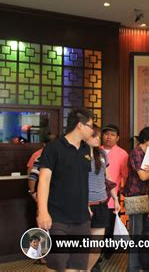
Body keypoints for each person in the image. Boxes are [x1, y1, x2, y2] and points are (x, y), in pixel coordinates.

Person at [37, 108, 95, 271]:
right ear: (79, 125)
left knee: (77, 266)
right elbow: (44, 180)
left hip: (82, 218)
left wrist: (87, 205)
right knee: (57, 263)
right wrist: (42, 211)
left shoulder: (85, 149)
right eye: (91, 126)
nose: (93, 130)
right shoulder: (54, 148)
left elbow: (82, 180)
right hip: (57, 218)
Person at [123, 127, 149, 272]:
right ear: (145, 140)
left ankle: (146, 264)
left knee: (145, 232)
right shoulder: (136, 153)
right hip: (136, 195)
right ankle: (133, 267)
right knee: (136, 234)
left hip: (147, 195)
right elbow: (143, 176)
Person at [86, 125, 121, 271]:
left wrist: (115, 197)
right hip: (84, 205)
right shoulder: (77, 155)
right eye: (94, 136)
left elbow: (107, 177)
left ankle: (87, 269)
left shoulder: (100, 153)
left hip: (101, 203)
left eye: (98, 136)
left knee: (96, 246)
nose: (98, 139)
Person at [100, 124, 128, 260]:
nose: (108, 137)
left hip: (111, 196)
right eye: (106, 134)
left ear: (117, 138)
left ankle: (107, 252)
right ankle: (96, 252)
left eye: (112, 135)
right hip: (94, 195)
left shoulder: (122, 154)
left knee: (109, 225)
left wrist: (121, 192)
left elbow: (125, 175)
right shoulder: (95, 150)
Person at [27, 133, 57, 202]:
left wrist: (32, 191)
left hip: (43, 193)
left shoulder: (40, 157)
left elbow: (31, 176)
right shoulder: (39, 156)